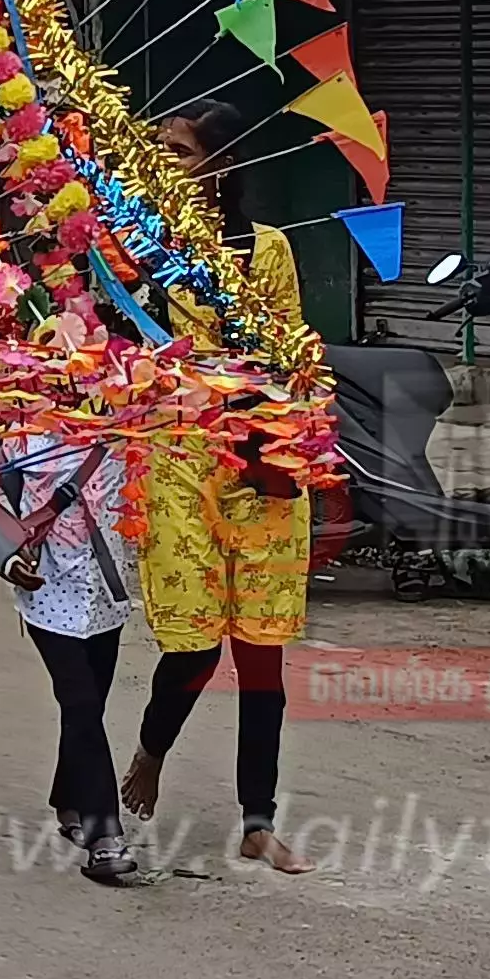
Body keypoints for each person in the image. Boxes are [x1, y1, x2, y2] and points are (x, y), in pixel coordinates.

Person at [121, 105, 317, 875]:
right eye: (158, 151)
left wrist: (269, 420)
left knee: (261, 646)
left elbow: (291, 352)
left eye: (179, 151)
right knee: (196, 641)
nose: (165, 162)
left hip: (256, 457)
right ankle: (149, 751)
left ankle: (259, 820)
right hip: (175, 459)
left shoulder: (267, 250)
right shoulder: (138, 253)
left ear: (219, 165)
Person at [0, 437, 148, 884]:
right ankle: (105, 836)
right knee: (79, 702)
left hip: (106, 595)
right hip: (48, 595)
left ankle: (68, 798)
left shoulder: (127, 427)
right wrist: (10, 559)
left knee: (88, 705)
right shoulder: (23, 430)